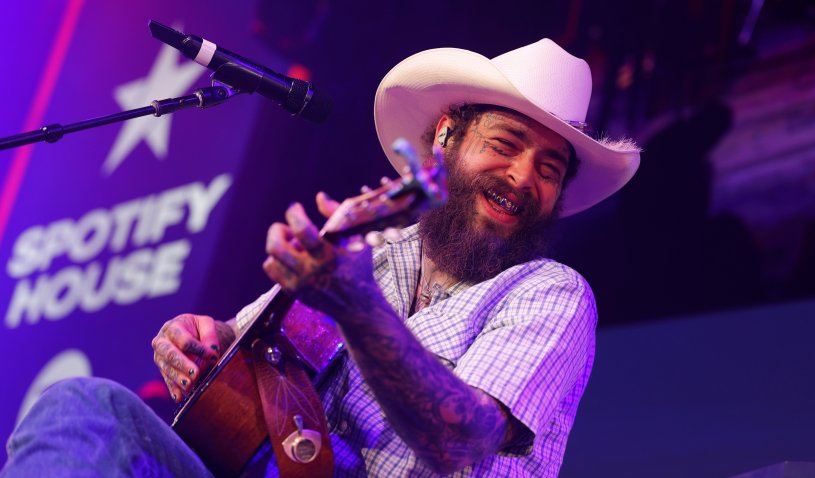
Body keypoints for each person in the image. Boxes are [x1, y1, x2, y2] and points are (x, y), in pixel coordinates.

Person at [1, 39, 639, 477]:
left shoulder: (550, 291)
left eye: (549, 169)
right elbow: (238, 352)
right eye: (506, 144)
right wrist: (199, 340)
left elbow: (462, 440)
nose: (524, 177)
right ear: (443, 140)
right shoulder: (367, 252)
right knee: (84, 407)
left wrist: (359, 308)